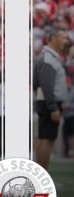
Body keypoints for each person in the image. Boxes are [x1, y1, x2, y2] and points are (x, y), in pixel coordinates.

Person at [33, 27, 68, 170]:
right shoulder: (48, 58)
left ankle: (39, 173)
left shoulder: (47, 56)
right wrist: (53, 106)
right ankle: (42, 174)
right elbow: (46, 85)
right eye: (62, 37)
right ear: (52, 38)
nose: (65, 41)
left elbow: (37, 84)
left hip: (45, 101)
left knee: (43, 138)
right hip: (49, 103)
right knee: (47, 140)